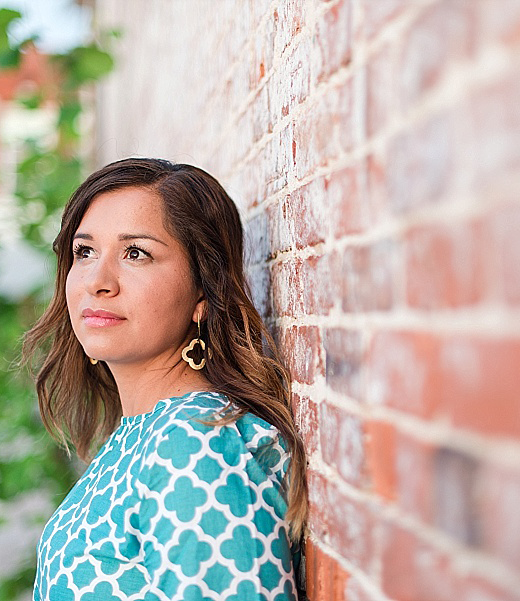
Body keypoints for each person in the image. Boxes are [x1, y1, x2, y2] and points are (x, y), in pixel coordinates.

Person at [23, 158, 307, 601]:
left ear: (202, 292)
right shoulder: (143, 433)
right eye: (85, 251)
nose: (98, 281)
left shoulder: (196, 446)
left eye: (136, 253)